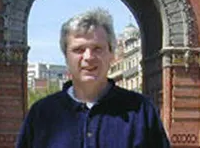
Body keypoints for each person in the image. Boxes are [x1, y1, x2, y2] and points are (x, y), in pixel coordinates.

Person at [16, 8, 170, 148]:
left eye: (97, 48)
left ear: (112, 54)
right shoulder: (41, 113)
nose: (89, 57)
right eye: (79, 49)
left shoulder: (142, 111)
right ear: (66, 57)